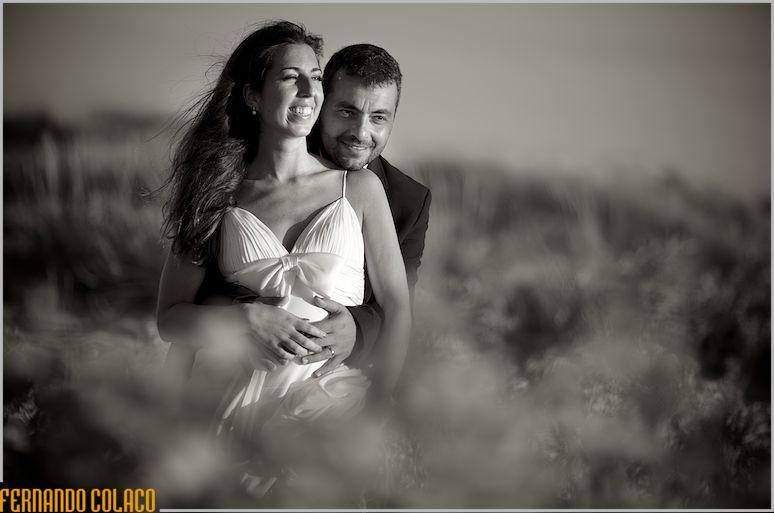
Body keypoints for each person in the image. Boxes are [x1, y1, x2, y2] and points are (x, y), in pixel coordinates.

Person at [155, 21, 411, 493]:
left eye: (316, 77)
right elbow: (170, 319)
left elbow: (396, 307)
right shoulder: (216, 194)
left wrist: (378, 412)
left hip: (328, 404)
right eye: (292, 77)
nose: (310, 91)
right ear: (253, 95)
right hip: (231, 403)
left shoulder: (359, 188)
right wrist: (244, 319)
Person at [182, 43, 432, 381]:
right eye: (346, 111)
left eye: (378, 118)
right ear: (321, 102)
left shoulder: (407, 200)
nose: (360, 134)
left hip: (325, 384)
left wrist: (356, 332)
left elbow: (397, 308)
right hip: (233, 370)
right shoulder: (238, 175)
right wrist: (244, 320)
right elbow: (198, 293)